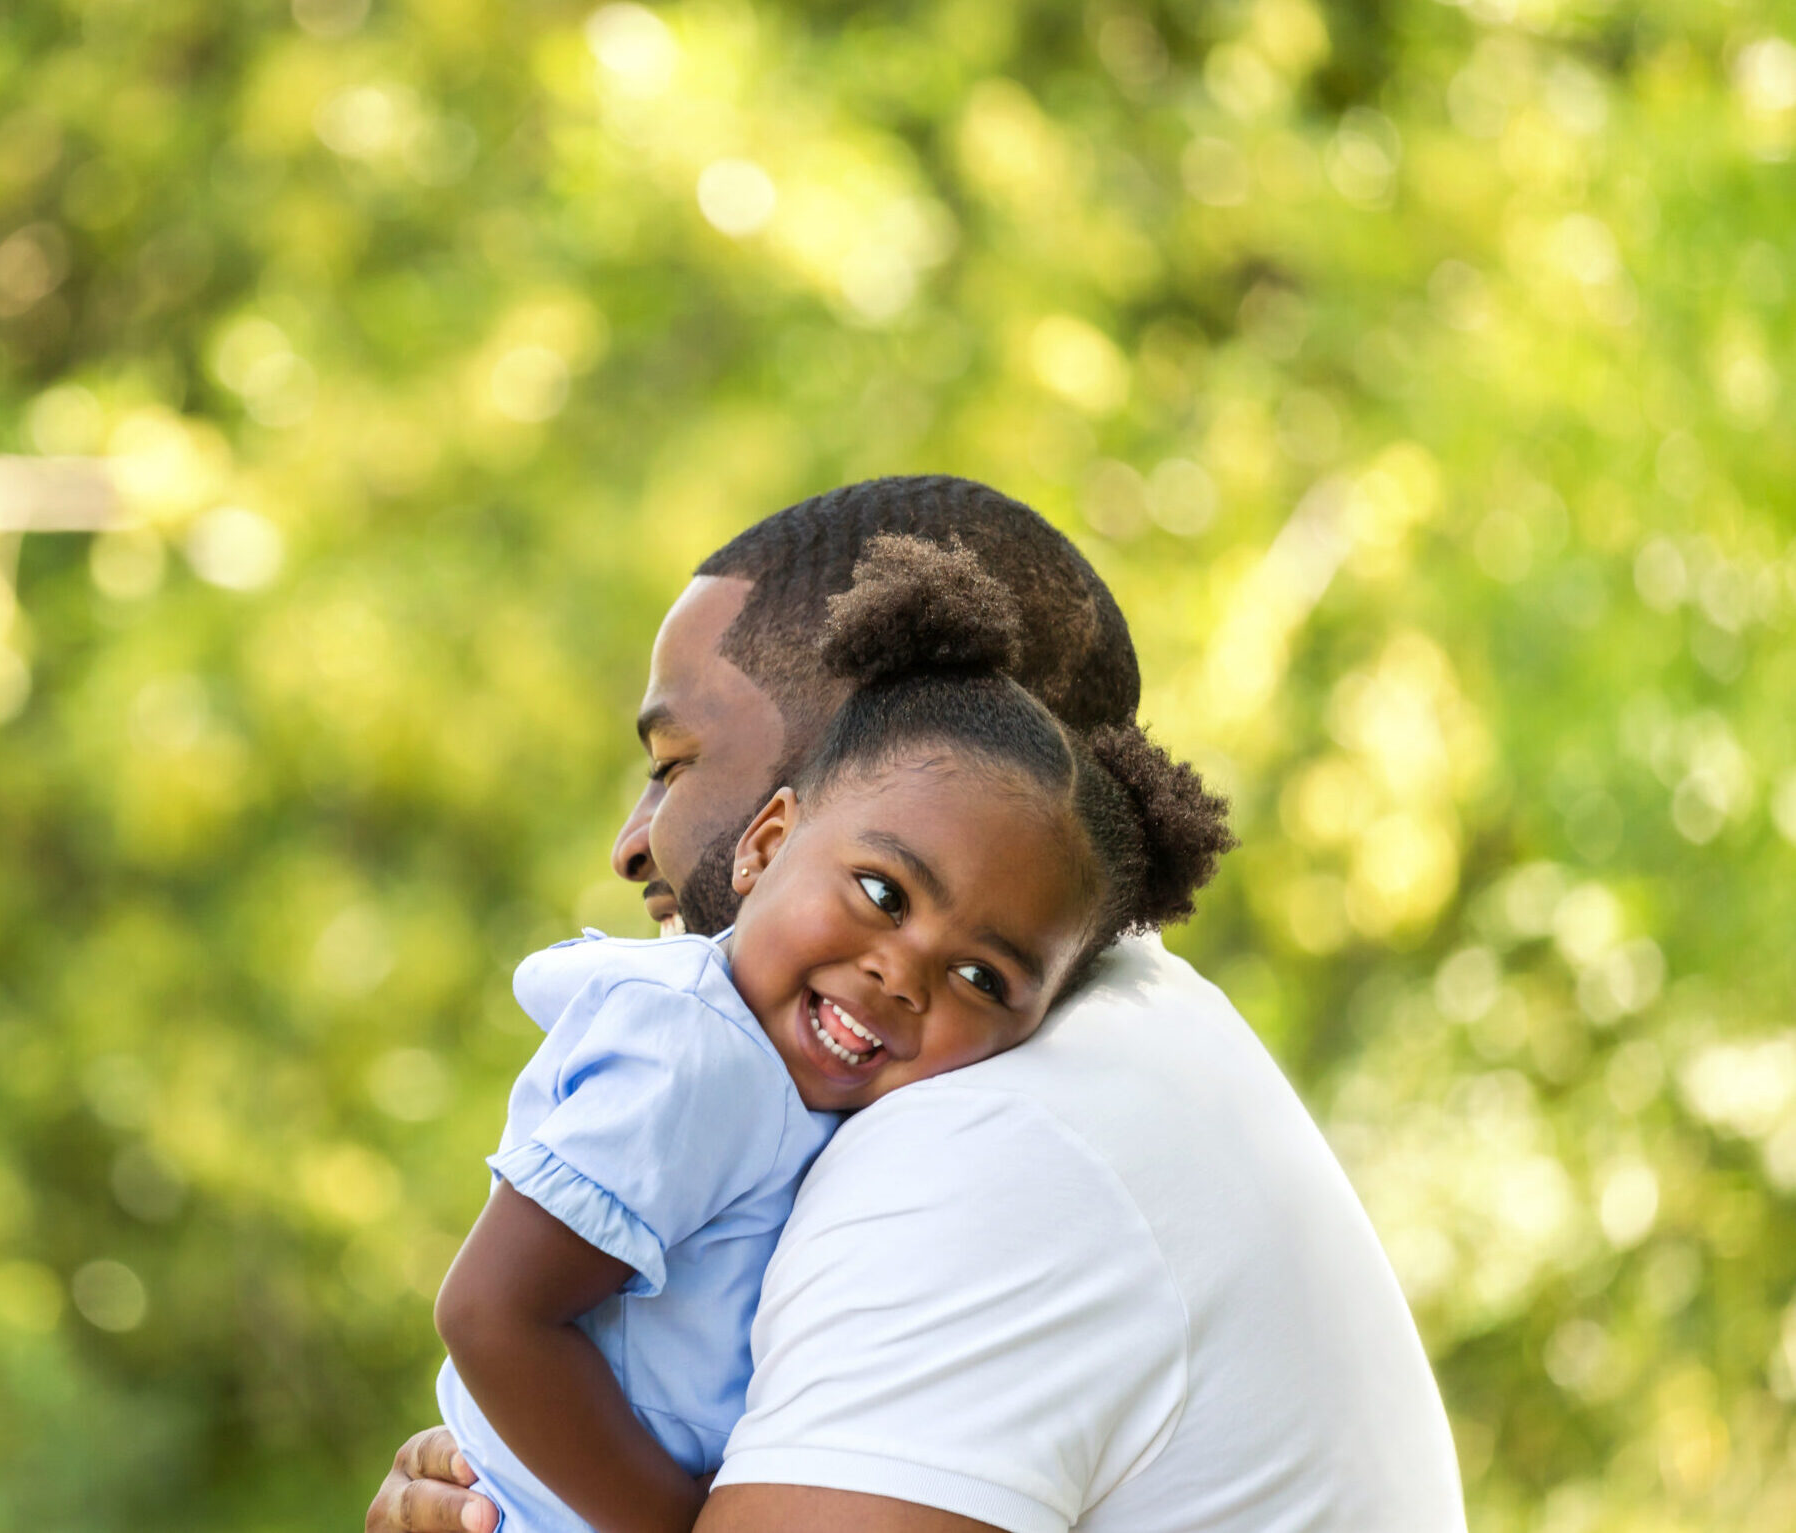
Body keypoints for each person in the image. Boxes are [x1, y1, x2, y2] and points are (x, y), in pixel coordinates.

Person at [369, 477, 1465, 1533]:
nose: (630, 842)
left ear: (840, 768)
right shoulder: (1078, 1044)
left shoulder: (987, 1140)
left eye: (675, 761)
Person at [433, 538, 1233, 1533]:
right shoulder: (694, 1055)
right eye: (880, 892)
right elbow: (490, 1315)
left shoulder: (858, 1107)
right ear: (767, 844)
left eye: (982, 978)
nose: (901, 973)